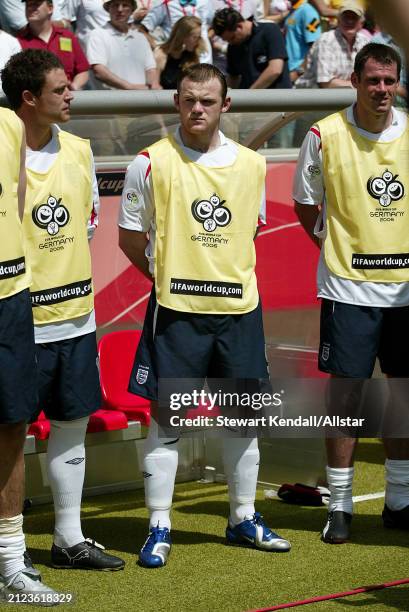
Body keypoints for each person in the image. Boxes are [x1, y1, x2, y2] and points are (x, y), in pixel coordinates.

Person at [118, 63, 291, 567]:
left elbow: (247, 233)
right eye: (189, 99)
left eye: (208, 101)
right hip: (177, 314)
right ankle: (158, 525)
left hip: (238, 313)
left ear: (226, 106)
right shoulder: (148, 162)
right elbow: (131, 238)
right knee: (167, 422)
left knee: (243, 420)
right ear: (176, 102)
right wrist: (171, 274)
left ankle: (242, 517)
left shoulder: (251, 165)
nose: (198, 109)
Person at [2, 48, 125, 571]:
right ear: (29, 99)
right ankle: (11, 546)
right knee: (11, 428)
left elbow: (90, 221)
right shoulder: (6, 152)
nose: (71, 94)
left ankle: (69, 537)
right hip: (18, 319)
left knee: (72, 417)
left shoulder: (79, 148)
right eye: (60, 89)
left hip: (75, 312)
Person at [293, 42, 409, 543]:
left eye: (389, 81)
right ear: (355, 82)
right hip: (348, 288)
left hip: (405, 292)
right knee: (347, 396)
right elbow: (305, 204)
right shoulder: (323, 135)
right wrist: (331, 242)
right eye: (372, 81)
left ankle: (400, 500)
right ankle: (339, 506)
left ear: (397, 83)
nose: (381, 90)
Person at [0, 106, 58, 602]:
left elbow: (15, 203)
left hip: (11, 293)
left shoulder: (11, 124)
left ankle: (12, 562)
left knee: (13, 422)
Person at [87, 0, 159, 90]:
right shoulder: (97, 34)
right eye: (115, 5)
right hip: (110, 102)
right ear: (108, 9)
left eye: (125, 5)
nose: (120, 9)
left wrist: (154, 85)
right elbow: (98, 71)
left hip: (142, 100)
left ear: (132, 10)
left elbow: (151, 69)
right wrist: (130, 88)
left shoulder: (140, 38)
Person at [212, 8, 292, 89]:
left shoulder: (270, 30)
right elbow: (233, 77)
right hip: (249, 99)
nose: (231, 43)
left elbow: (275, 69)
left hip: (277, 97)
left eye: (232, 38)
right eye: (227, 40)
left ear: (239, 26)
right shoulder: (233, 46)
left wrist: (250, 94)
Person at [18, 0, 89, 91]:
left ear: (50, 8)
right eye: (28, 5)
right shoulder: (18, 41)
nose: (30, 8)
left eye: (36, 4)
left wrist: (74, 87)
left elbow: (83, 70)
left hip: (68, 98)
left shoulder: (67, 36)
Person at [296, 1, 368, 89]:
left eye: (354, 18)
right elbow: (326, 83)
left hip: (346, 96)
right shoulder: (326, 40)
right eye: (345, 17)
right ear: (338, 21)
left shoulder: (365, 41)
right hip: (310, 97)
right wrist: (360, 85)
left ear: (361, 23)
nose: (349, 21)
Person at [155, 16, 206, 89]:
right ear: (183, 37)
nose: (198, 41)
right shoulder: (161, 55)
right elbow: (154, 86)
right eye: (195, 37)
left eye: (199, 37)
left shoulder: (192, 56)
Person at [284, 0, 321, 83]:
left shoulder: (308, 11)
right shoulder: (293, 10)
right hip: (289, 72)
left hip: (300, 77)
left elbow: (316, 47)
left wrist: (298, 72)